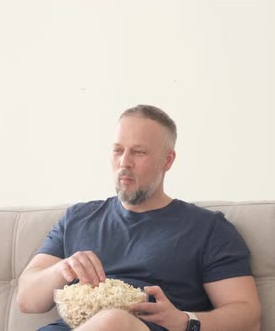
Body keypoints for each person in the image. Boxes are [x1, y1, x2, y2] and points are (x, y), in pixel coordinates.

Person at [16, 105, 261, 331]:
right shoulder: (78, 218)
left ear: (167, 160)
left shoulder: (208, 228)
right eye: (118, 150)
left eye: (139, 152)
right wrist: (62, 268)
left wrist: (186, 321)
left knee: (114, 320)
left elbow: (247, 314)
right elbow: (27, 299)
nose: (125, 162)